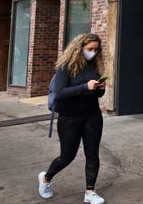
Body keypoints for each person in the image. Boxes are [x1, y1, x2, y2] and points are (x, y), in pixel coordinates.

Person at [37, 33, 107, 204]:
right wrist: (85, 86)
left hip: (92, 115)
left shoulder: (95, 66)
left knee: (92, 154)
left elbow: (98, 93)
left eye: (96, 50)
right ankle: (46, 179)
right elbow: (60, 93)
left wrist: (100, 88)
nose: (93, 53)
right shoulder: (66, 67)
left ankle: (90, 192)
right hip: (69, 117)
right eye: (90, 49)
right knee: (67, 156)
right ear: (79, 48)